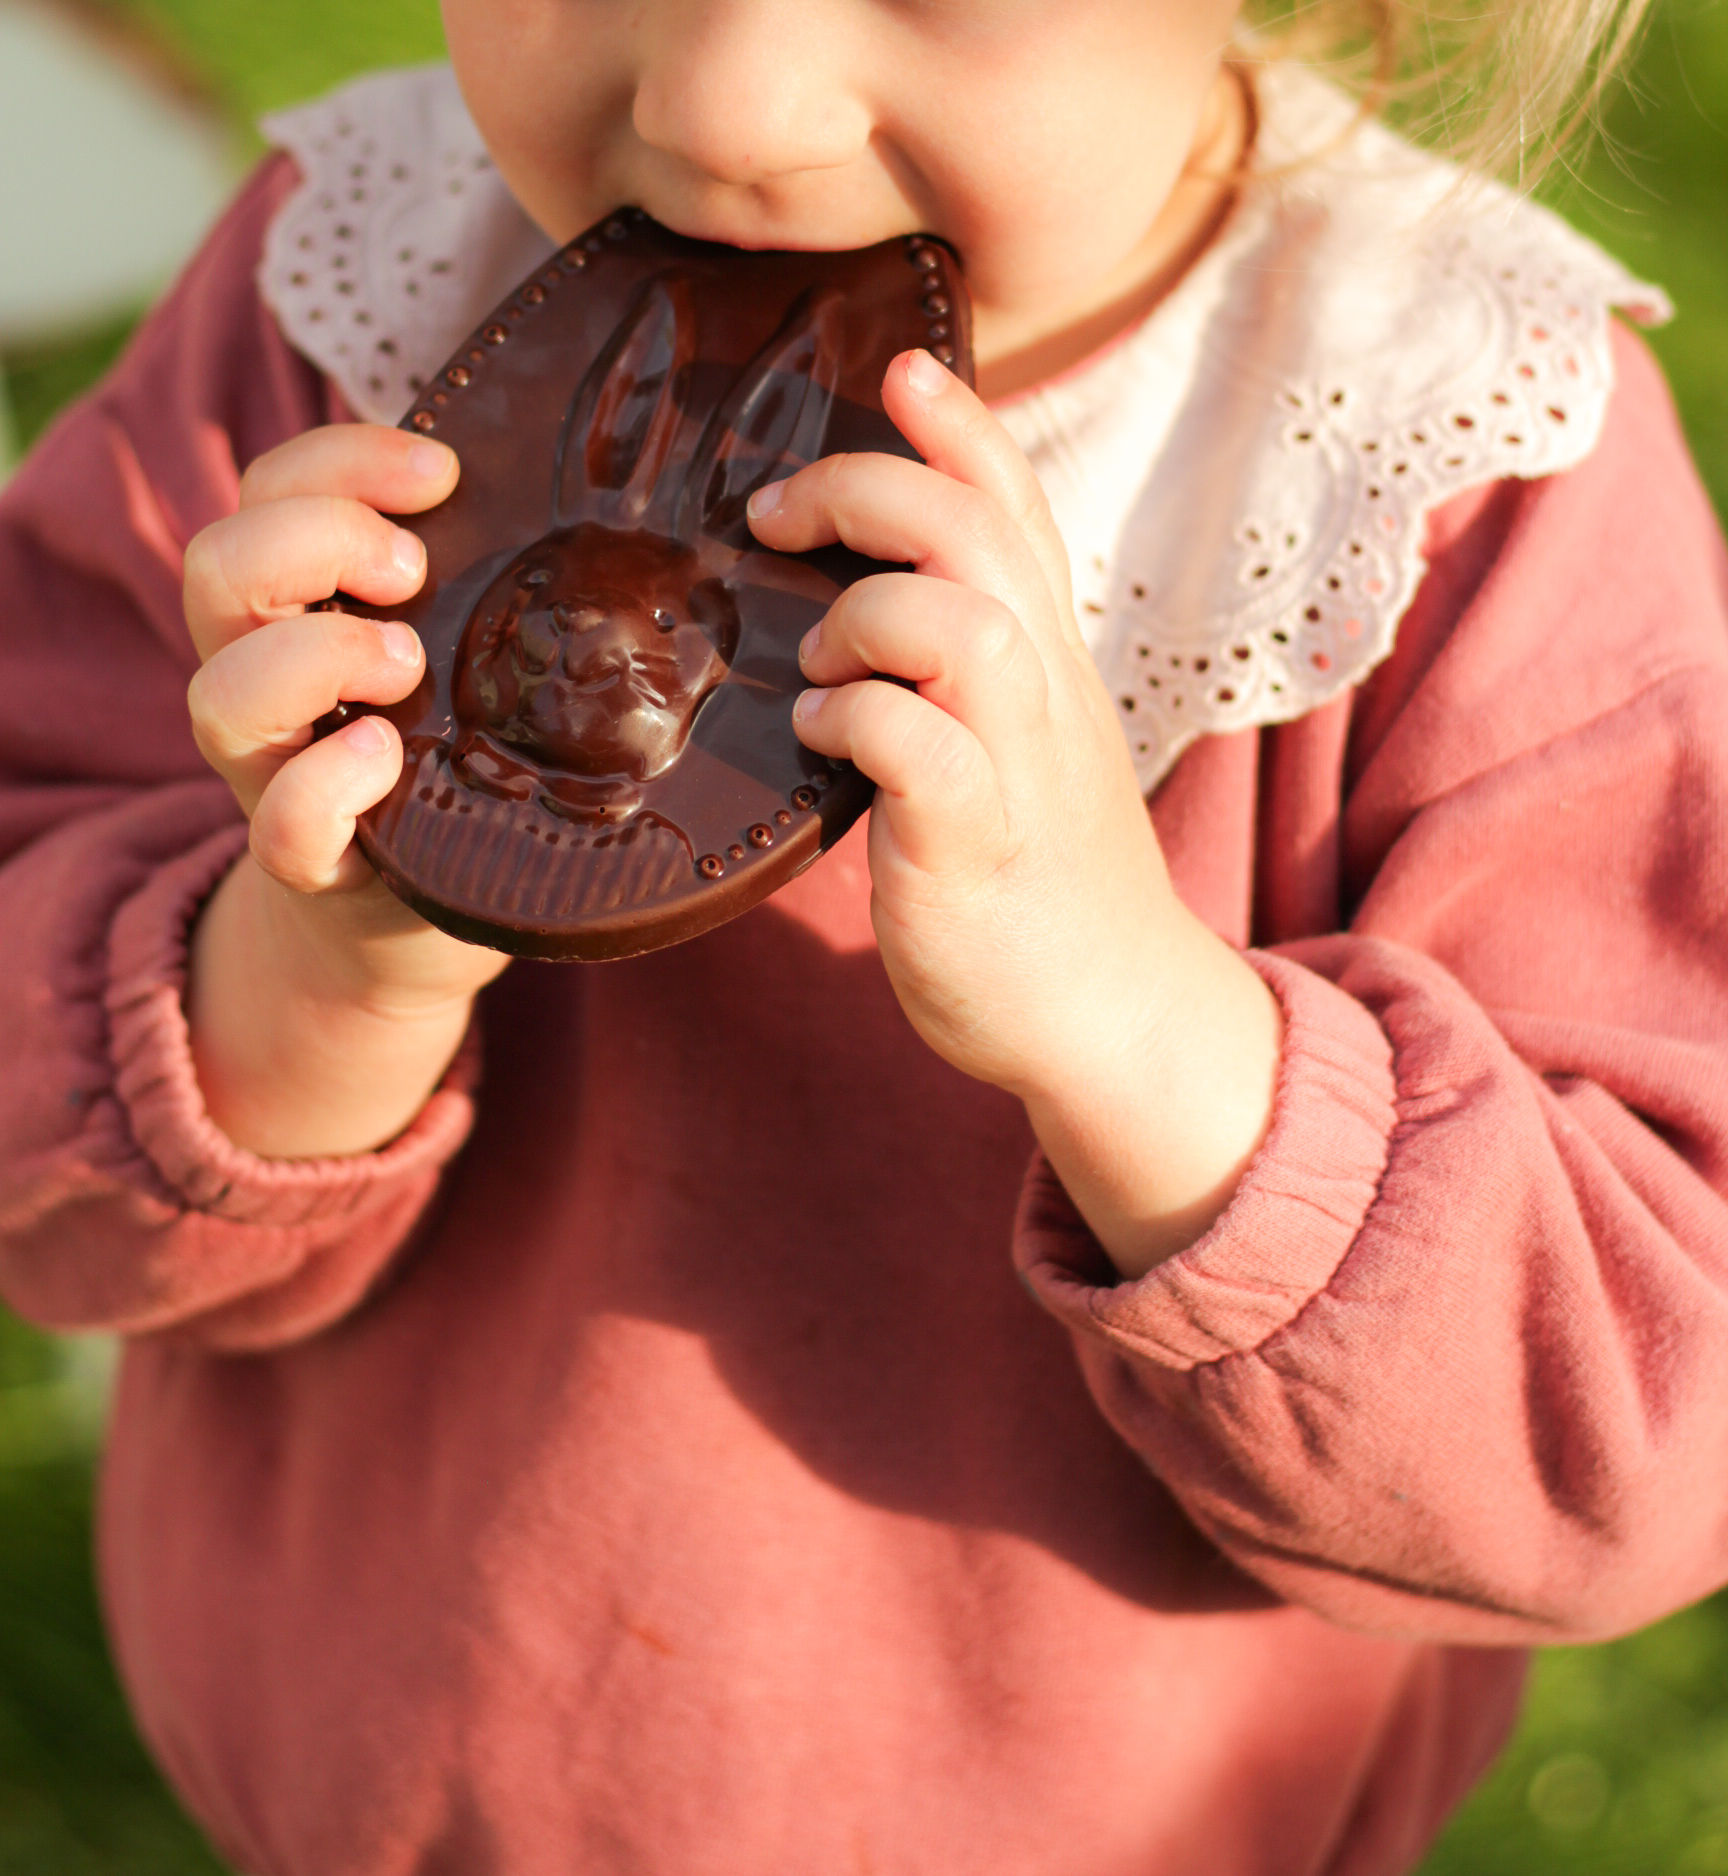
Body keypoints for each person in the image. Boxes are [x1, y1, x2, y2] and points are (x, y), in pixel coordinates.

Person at [2, 0, 1725, 1869]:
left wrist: (1131, 1021)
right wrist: (316, 971)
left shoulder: (1451, 461)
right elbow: (43, 1181)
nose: (726, 104)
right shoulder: (345, 301)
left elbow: (1625, 1450)